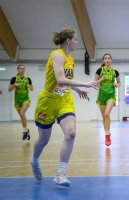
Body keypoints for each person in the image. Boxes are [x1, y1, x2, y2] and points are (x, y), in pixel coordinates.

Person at [31, 28, 99, 187]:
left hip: (65, 100)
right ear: (67, 40)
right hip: (47, 102)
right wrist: (85, 83)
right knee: (43, 141)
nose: (77, 43)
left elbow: (67, 79)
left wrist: (77, 89)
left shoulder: (70, 58)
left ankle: (61, 173)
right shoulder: (57, 55)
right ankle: (34, 161)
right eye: (75, 39)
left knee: (71, 133)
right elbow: (60, 79)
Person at [94, 53, 121, 146]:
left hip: (111, 96)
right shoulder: (99, 71)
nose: (107, 59)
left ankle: (107, 135)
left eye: (109, 58)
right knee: (104, 117)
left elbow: (119, 83)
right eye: (105, 58)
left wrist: (116, 85)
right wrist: (101, 80)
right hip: (102, 96)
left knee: (106, 114)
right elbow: (94, 84)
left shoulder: (115, 72)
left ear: (111, 60)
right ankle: (107, 133)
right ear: (103, 61)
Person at [8, 64, 33, 140]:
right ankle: (26, 130)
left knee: (22, 113)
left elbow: (32, 89)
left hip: (26, 100)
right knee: (22, 116)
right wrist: (14, 85)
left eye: (23, 68)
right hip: (17, 101)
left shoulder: (28, 79)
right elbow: (9, 90)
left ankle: (25, 131)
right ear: (18, 70)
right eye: (20, 68)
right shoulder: (14, 79)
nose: (22, 70)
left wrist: (29, 86)